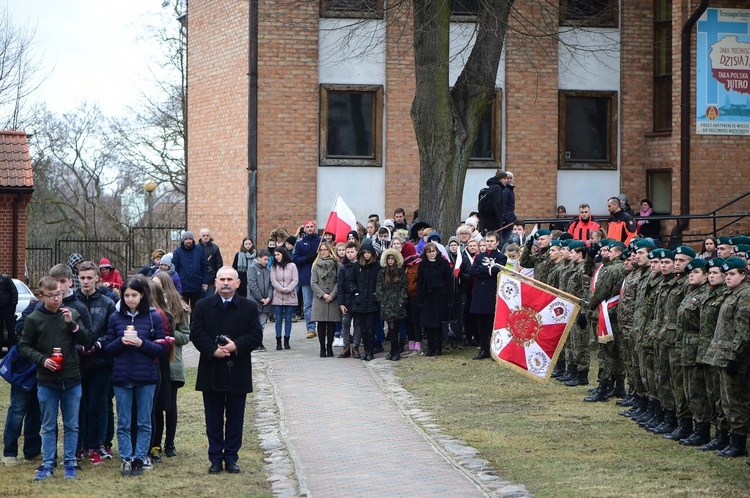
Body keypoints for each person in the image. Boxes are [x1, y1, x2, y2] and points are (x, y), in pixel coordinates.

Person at [19, 275, 93, 481]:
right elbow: (24, 346)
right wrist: (42, 360)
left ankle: (70, 463)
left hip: (71, 377)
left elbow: (88, 341)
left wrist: (73, 325)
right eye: (51, 296)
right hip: (46, 379)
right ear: (41, 296)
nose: (56, 299)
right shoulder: (34, 318)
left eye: (59, 294)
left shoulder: (72, 313)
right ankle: (48, 464)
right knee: (48, 424)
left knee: (72, 424)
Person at [190, 266, 263, 474]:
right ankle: (215, 458)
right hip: (211, 368)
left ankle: (231, 457)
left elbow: (256, 334)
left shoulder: (248, 307)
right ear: (215, 282)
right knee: (213, 418)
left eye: (230, 279)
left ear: (237, 283)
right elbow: (197, 333)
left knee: (235, 418)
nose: (225, 283)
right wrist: (213, 350)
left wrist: (236, 345)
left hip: (237, 369)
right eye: (221, 279)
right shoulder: (203, 306)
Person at [104, 277, 166, 477]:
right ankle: (126, 458)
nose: (131, 299)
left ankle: (139, 458)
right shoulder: (115, 318)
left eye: (134, 295)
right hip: (122, 377)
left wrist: (141, 344)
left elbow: (160, 348)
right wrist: (122, 342)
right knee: (123, 422)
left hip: (146, 377)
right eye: (127, 295)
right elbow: (108, 349)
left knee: (143, 421)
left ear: (142, 296)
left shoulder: (152, 317)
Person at [75, 261, 116, 466]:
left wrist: (98, 345)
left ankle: (95, 445)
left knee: (96, 406)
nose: (85, 282)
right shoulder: (72, 303)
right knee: (78, 407)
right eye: (82, 278)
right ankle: (79, 446)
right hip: (77, 363)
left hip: (100, 362)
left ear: (97, 278)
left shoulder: (107, 303)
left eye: (89, 277)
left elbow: (112, 331)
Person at [150, 272, 191, 459]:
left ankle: (170, 443)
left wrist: (170, 336)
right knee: (157, 406)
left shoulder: (179, 308)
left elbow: (185, 336)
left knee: (171, 406)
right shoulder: (150, 309)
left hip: (172, 363)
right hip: (156, 363)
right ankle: (155, 444)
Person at [469, 231, 506, 359]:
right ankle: (484, 349)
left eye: (491, 241)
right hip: (480, 293)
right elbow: (472, 271)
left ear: (497, 242)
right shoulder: (479, 256)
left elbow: (496, 271)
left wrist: (483, 270)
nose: (489, 244)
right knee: (481, 323)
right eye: (487, 241)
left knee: (492, 323)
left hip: (492, 293)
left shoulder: (501, 257)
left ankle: (494, 350)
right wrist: (487, 270)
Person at [416, 242, 453, 357]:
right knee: (428, 324)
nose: (432, 254)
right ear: (425, 253)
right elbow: (420, 282)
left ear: (437, 251)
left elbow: (449, 281)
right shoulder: (423, 265)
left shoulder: (443, 263)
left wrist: (450, 298)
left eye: (433, 251)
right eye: (429, 251)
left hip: (440, 296)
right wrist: (419, 299)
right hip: (427, 297)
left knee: (438, 323)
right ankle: (430, 347)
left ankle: (438, 347)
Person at [350, 238, 381, 361]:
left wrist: (375, 295)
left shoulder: (377, 266)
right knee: (362, 328)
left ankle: (370, 351)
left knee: (370, 327)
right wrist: (356, 293)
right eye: (365, 253)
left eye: (369, 252)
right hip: (360, 300)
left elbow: (380, 282)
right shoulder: (357, 266)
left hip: (372, 301)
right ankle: (366, 350)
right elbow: (352, 281)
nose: (367, 255)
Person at [376, 248, 407, 361]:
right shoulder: (382, 272)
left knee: (396, 327)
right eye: (388, 259)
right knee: (391, 327)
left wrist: (401, 301)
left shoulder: (400, 271)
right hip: (387, 305)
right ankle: (393, 350)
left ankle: (395, 351)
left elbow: (404, 287)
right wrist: (382, 301)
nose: (390, 261)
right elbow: (379, 289)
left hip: (398, 304)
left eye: (392, 258)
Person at [310, 242, 341, 358]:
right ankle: (322, 348)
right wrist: (323, 295)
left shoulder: (336, 264)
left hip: (333, 296)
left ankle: (329, 347)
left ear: (330, 251)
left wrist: (332, 295)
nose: (323, 252)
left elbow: (339, 281)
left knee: (331, 322)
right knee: (321, 322)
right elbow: (313, 283)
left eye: (325, 250)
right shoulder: (315, 265)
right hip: (320, 298)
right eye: (321, 250)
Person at [293, 221, 322, 339]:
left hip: (320, 277)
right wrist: (307, 258)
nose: (310, 229)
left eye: (312, 227)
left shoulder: (321, 241)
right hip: (306, 277)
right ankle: (310, 328)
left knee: (321, 303)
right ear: (304, 229)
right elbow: (295, 259)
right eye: (307, 227)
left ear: (315, 228)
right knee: (308, 304)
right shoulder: (300, 243)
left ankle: (322, 326)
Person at [172, 231, 210, 311]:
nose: (188, 241)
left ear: (193, 240)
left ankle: (195, 324)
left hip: (197, 285)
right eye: (186, 239)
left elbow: (205, 267)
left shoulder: (200, 251)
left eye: (190, 239)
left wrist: (205, 281)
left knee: (196, 309)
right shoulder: (177, 252)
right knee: (183, 309)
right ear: (183, 240)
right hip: (182, 286)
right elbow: (174, 269)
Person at [270, 247, 298, 350]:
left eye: (278, 254)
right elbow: (273, 280)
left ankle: (287, 340)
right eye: (275, 255)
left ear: (283, 254)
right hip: (278, 296)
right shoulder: (274, 266)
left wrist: (288, 288)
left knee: (288, 319)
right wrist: (281, 288)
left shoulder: (292, 266)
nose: (276, 257)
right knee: (278, 319)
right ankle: (278, 341)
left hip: (290, 295)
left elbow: (295, 280)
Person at [246, 250, 272, 352]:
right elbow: (252, 284)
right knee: (254, 323)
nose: (266, 261)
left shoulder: (268, 270)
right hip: (255, 301)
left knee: (262, 324)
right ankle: (254, 343)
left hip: (266, 302)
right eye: (265, 259)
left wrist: (268, 298)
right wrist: (260, 298)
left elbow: (271, 285)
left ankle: (259, 342)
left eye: (268, 260)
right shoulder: (252, 268)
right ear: (259, 258)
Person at [337, 242, 359, 358]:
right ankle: (346, 347)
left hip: (357, 299)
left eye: (352, 252)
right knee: (345, 323)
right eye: (348, 252)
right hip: (346, 300)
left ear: (356, 252)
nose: (350, 255)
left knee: (358, 324)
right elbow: (340, 286)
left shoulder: (360, 266)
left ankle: (356, 347)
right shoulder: (343, 268)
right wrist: (341, 303)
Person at [0, 272, 18, 356]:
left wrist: (12, 307)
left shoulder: (6, 279)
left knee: (11, 331)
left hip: (8, 309)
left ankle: (11, 350)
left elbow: (14, 292)